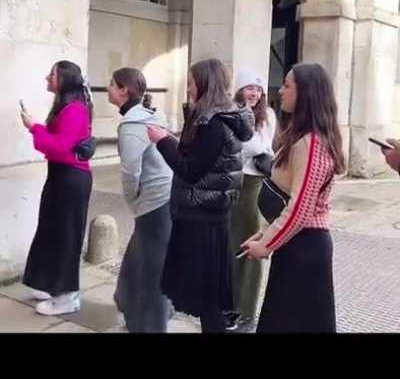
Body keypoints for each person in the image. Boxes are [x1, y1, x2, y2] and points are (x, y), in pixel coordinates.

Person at [147, 58, 254, 334]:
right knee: (208, 299)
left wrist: (162, 141)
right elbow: (196, 157)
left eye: (192, 82)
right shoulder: (214, 117)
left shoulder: (216, 123)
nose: (189, 88)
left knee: (208, 300)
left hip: (203, 218)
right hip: (207, 214)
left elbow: (190, 169)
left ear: (206, 84)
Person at [242, 63, 345, 333]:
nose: (281, 91)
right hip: (296, 245)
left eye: (288, 86)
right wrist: (265, 235)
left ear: (306, 94)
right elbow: (287, 201)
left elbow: (301, 207)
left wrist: (266, 245)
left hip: (305, 248)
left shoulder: (312, 143)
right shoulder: (302, 138)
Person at [20, 61, 93, 316]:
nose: (47, 78)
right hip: (60, 177)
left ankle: (67, 297)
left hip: (71, 179)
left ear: (63, 79)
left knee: (65, 237)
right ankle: (46, 283)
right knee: (50, 230)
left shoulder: (75, 109)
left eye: (51, 74)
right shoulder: (66, 107)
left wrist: (33, 128)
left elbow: (61, 148)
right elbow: (57, 140)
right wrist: (37, 127)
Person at [108, 68, 173, 332]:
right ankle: (127, 304)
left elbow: (130, 172)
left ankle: (152, 325)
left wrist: (133, 203)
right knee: (137, 261)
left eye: (112, 84)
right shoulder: (150, 116)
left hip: (154, 203)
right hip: (164, 199)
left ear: (124, 90)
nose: (108, 89)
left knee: (152, 271)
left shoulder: (132, 125)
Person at [228, 68, 277, 332]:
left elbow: (256, 146)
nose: (255, 93)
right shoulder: (231, 111)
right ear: (239, 89)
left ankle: (245, 311)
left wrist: (237, 137)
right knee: (230, 243)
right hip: (231, 181)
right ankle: (230, 303)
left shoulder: (266, 114)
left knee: (249, 245)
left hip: (252, 184)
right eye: (249, 88)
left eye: (258, 89)